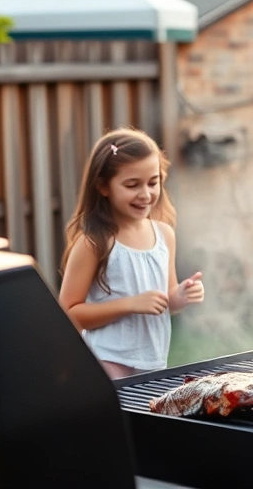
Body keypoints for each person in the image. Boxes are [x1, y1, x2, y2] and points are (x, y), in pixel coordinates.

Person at [58, 127, 205, 379]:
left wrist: (181, 295)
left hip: (154, 361)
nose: (146, 194)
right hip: (106, 360)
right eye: (132, 185)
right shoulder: (94, 243)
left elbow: (166, 300)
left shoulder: (164, 235)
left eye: (153, 182)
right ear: (104, 186)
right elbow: (68, 312)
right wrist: (130, 304)